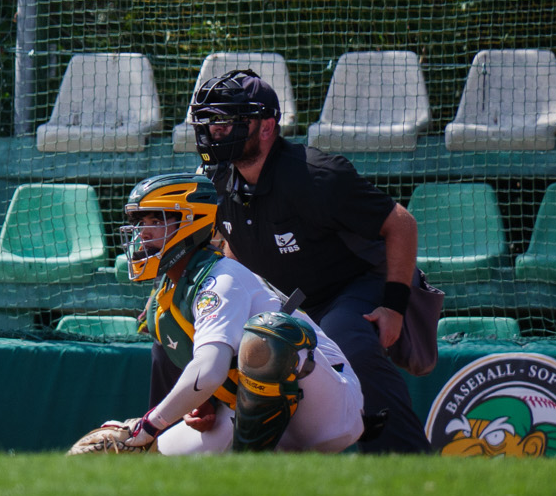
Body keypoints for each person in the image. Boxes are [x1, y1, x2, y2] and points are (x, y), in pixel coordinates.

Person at [187, 69, 430, 454]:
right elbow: (234, 249)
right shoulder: (214, 180)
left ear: (266, 127)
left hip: (359, 283)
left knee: (346, 340)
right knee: (193, 326)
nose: (214, 132)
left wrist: (394, 307)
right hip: (290, 299)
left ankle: (407, 460)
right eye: (209, 123)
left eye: (226, 122)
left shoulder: (315, 175)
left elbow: (401, 223)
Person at [71, 173, 363, 454]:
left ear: (191, 223)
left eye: (156, 221)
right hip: (253, 411)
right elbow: (206, 375)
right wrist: (203, 400)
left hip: (329, 407)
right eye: (140, 223)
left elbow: (209, 371)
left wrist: (148, 425)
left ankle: (253, 469)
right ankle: (259, 463)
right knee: (154, 461)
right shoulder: (166, 296)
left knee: (268, 335)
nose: (143, 233)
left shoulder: (221, 278)